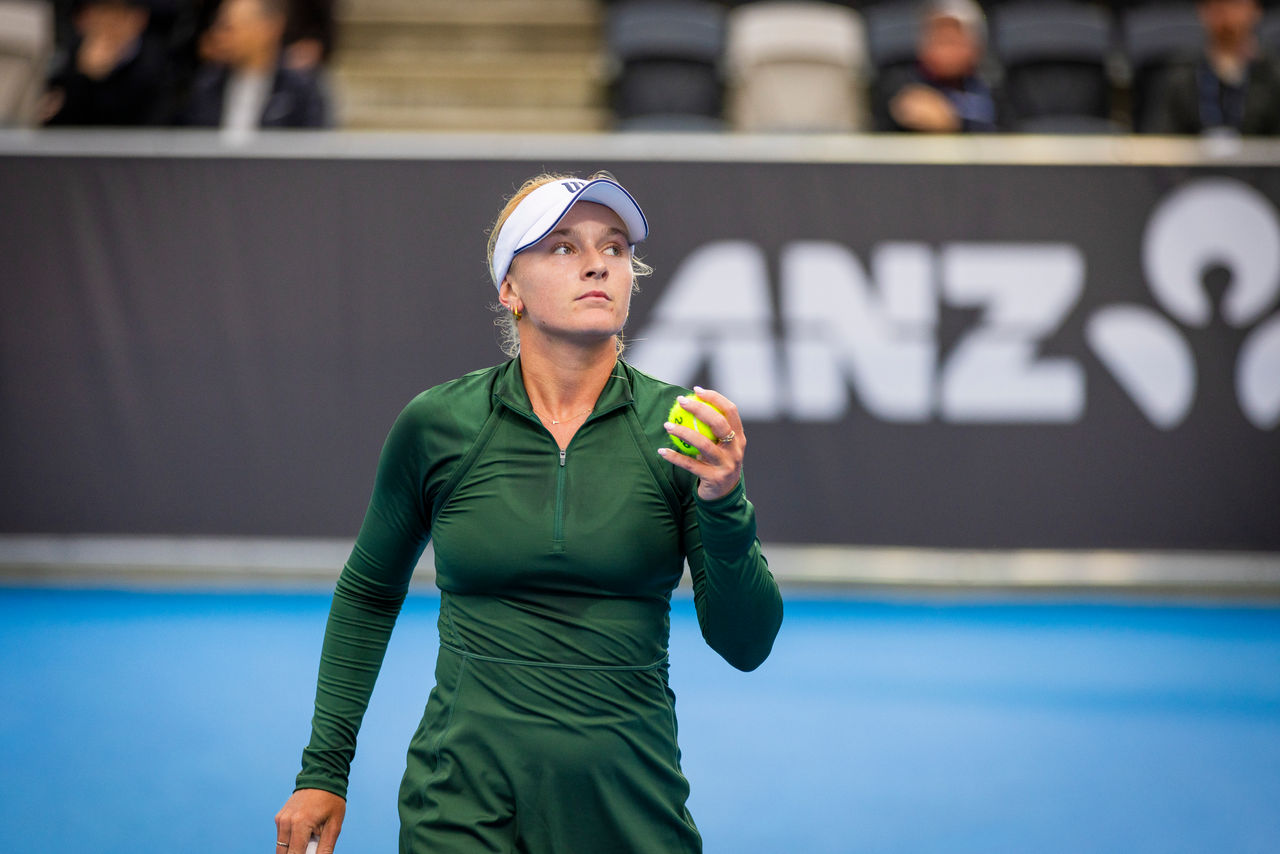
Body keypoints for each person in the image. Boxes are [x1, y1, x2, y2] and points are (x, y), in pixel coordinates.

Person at [273, 172, 784, 854]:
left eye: (614, 247)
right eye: (563, 247)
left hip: (630, 801)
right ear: (509, 290)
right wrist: (323, 771)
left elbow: (746, 646)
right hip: (458, 799)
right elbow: (368, 594)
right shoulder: (437, 424)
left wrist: (727, 504)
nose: (598, 261)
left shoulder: (681, 429)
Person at [179, 0, 327, 132]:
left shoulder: (300, 90)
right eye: (219, 26)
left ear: (270, 27)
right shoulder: (206, 87)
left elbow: (313, 147)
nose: (219, 36)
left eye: (230, 28)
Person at [1145, 0, 1280, 135]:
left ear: (1256, 11)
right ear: (1203, 12)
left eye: (1235, 5)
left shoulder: (1274, 77)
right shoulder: (1182, 76)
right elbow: (1161, 141)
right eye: (1217, 6)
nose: (1226, 15)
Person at [41, 0, 170, 126]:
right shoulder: (71, 56)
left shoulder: (158, 63)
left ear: (138, 18)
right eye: (100, 12)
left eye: (115, 14)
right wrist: (83, 75)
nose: (106, 23)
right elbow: (56, 121)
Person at [883, 0, 999, 133]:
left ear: (976, 46)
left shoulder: (992, 86)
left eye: (952, 41)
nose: (945, 51)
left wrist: (952, 122)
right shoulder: (900, 83)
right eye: (938, 39)